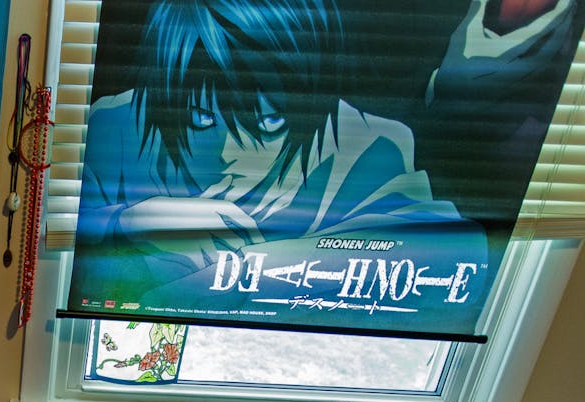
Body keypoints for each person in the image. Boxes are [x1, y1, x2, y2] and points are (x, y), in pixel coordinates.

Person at [67, 0, 489, 330]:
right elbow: (59, 260)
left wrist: (251, 273)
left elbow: (456, 264)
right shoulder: (119, 126)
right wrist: (125, 222)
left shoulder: (368, 145)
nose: (228, 153)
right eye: (201, 118)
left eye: (270, 121)